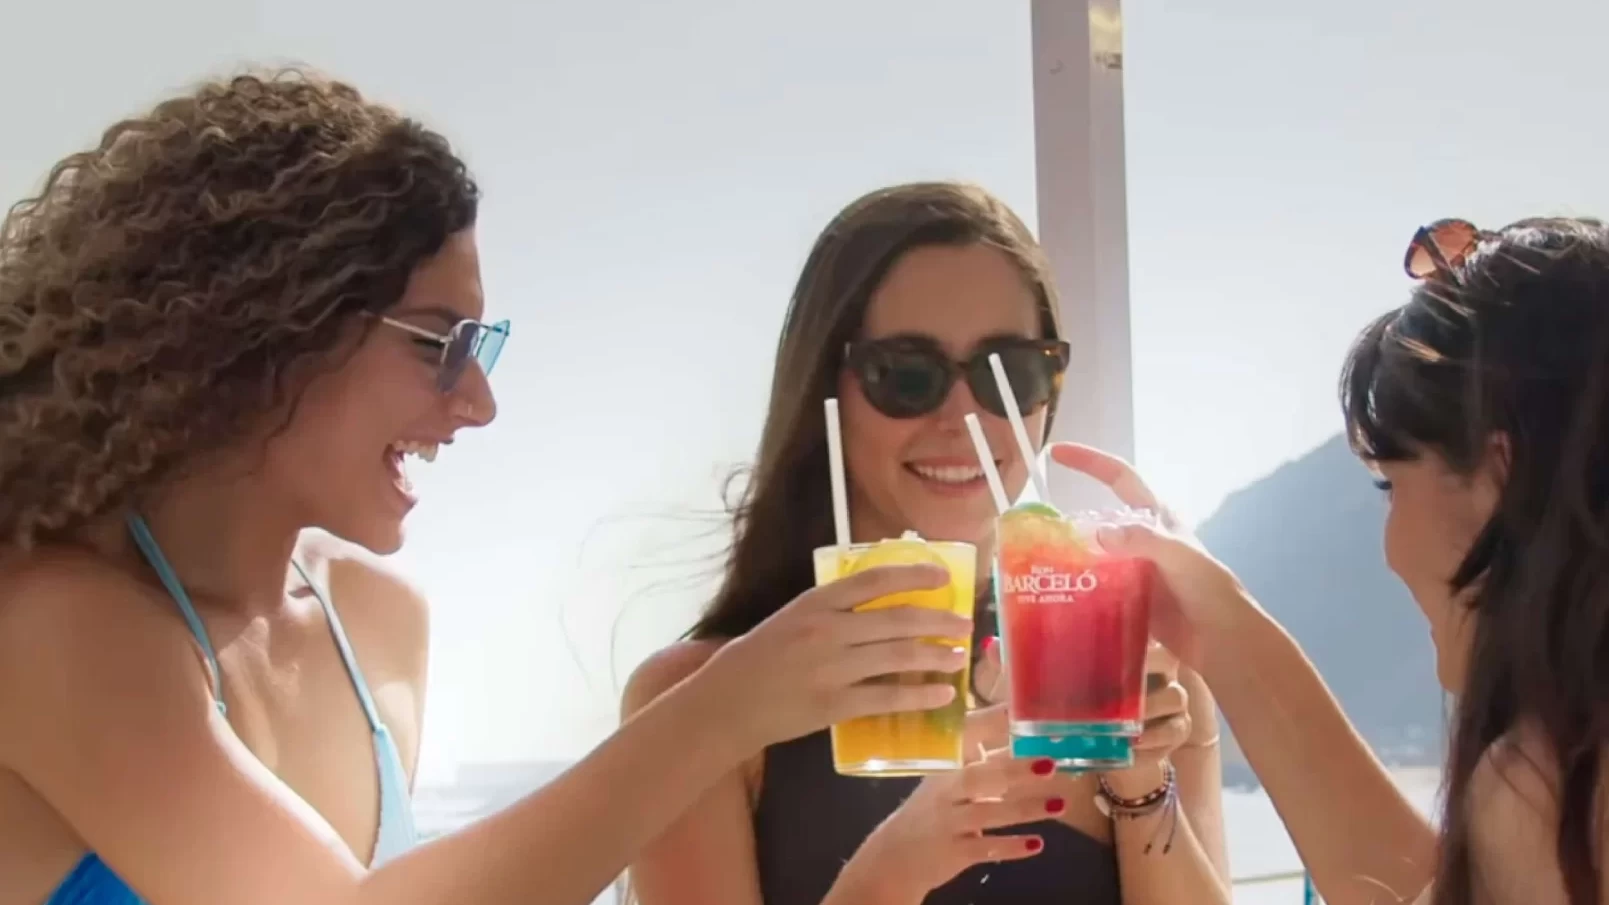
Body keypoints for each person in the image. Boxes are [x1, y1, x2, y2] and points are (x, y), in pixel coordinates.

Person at [0, 70, 976, 905]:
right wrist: (723, 708)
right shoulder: (53, 627)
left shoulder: (378, 622)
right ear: (262, 331)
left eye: (483, 346)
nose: (478, 402)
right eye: (440, 342)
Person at [625, 182, 1232, 905]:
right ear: (827, 387)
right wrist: (889, 875)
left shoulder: (1134, 658)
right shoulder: (695, 700)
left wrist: (1137, 784)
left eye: (1008, 370)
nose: (960, 414)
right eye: (906, 373)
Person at [1054, 216, 1609, 905]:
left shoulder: (1549, 795)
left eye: (1389, 484)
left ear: (1499, 474)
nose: (1390, 547)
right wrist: (1217, 628)